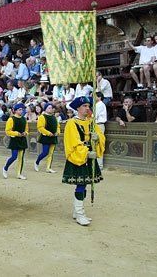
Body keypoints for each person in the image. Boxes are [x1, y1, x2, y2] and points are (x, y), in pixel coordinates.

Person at [62, 96, 105, 226]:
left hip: (90, 157)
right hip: (80, 157)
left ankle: (77, 211)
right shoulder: (72, 123)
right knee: (81, 184)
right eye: (85, 106)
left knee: (85, 183)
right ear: (78, 108)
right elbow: (72, 143)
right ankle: (80, 214)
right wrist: (86, 153)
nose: (88, 108)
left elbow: (101, 136)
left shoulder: (91, 122)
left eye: (88, 106)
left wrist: (97, 138)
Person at [2, 103, 29, 180]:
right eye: (19, 110)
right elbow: (8, 131)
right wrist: (17, 134)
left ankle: (19, 173)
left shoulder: (24, 119)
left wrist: (25, 133)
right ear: (15, 111)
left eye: (22, 110)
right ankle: (5, 168)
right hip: (15, 140)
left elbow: (27, 129)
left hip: (22, 139)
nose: (21, 111)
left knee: (21, 157)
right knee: (14, 156)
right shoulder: (11, 119)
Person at [34, 103, 60, 173]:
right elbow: (40, 127)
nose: (51, 109)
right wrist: (48, 133)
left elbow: (58, 126)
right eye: (49, 108)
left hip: (53, 136)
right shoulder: (42, 117)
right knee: (45, 152)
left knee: (51, 153)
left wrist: (57, 132)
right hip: (46, 137)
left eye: (51, 108)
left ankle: (48, 167)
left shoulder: (54, 117)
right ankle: (37, 162)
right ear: (45, 109)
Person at [95, 92, 107, 170]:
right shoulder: (97, 105)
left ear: (99, 97)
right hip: (97, 125)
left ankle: (99, 165)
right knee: (95, 145)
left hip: (99, 125)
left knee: (99, 145)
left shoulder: (100, 105)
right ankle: (97, 164)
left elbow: (94, 116)